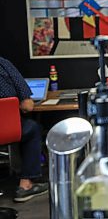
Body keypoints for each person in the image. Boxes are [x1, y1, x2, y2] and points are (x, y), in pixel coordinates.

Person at [0, 57, 48, 202]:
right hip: (6, 129)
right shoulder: (3, 65)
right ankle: (25, 185)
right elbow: (28, 106)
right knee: (32, 129)